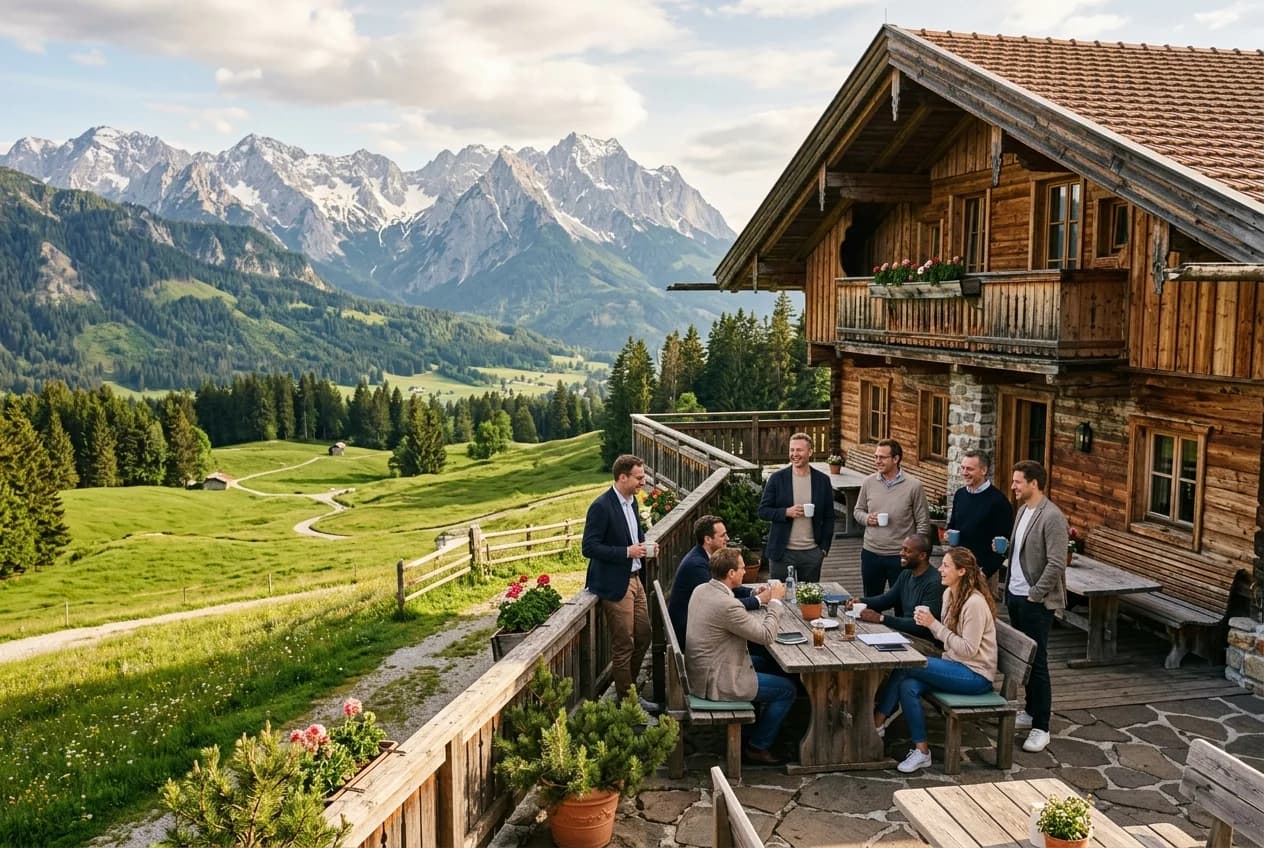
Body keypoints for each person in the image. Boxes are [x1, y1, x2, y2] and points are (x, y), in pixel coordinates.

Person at [873, 547, 999, 773]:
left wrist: (932, 624)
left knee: (906, 667)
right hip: (954, 664)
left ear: (961, 571)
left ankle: (876, 722)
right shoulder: (949, 594)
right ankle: (922, 752)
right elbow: (946, 639)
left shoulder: (974, 604)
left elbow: (969, 650)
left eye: (946, 566)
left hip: (976, 675)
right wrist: (927, 624)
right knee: (908, 685)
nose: (940, 569)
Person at [685, 546, 795, 765]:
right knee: (787, 690)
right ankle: (758, 746)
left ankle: (760, 727)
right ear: (731, 574)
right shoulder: (728, 606)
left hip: (702, 669)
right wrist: (774, 603)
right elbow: (765, 635)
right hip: (716, 681)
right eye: (742, 568)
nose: (746, 571)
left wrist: (756, 595)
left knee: (765, 662)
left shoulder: (702, 590)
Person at [1000, 459, 1068, 754]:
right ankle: (1029, 710)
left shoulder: (1052, 516)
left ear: (1033, 484)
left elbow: (1056, 562)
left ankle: (1041, 727)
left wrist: (1035, 594)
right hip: (1014, 596)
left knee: (1037, 664)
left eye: (1017, 482)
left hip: (1034, 602)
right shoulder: (1022, 510)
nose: (1013, 486)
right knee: (1021, 659)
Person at [582, 454, 654, 709]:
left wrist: (644, 546)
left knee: (644, 635)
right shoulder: (601, 506)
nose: (643, 482)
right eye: (639, 478)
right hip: (615, 585)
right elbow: (589, 547)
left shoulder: (632, 502)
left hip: (635, 579)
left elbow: (634, 534)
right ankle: (628, 702)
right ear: (622, 477)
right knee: (624, 644)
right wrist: (626, 552)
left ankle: (631, 690)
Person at [667, 515, 772, 646]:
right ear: (708, 539)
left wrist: (754, 592)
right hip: (691, 636)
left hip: (700, 627)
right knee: (760, 643)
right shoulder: (696, 565)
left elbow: (725, 585)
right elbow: (722, 605)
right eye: (723, 535)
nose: (727, 539)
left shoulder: (703, 556)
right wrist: (759, 600)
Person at [853, 438, 930, 596]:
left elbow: (923, 523)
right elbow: (858, 510)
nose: (877, 461)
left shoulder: (914, 486)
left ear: (896, 459)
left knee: (903, 603)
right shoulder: (868, 482)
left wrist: (918, 554)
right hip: (871, 553)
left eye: (882, 457)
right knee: (871, 602)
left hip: (901, 556)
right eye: (876, 457)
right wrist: (867, 518)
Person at [757, 432, 836, 582]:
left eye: (799, 450)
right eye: (792, 450)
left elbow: (829, 517)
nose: (795, 454)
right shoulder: (777, 478)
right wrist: (786, 512)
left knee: (809, 601)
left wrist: (823, 549)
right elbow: (763, 511)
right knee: (779, 598)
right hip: (782, 553)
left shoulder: (822, 480)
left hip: (812, 553)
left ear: (810, 452)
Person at [848, 535, 942, 641]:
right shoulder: (906, 574)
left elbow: (922, 626)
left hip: (924, 641)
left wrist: (882, 618)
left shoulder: (935, 583)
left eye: (907, 551)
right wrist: (861, 601)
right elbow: (887, 599)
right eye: (902, 549)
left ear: (922, 556)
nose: (901, 553)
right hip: (904, 634)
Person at [947, 450, 1013, 580]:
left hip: (982, 572)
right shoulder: (960, 494)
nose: (964, 472)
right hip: (958, 567)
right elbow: (953, 524)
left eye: (969, 469)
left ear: (983, 470)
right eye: (963, 468)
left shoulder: (998, 501)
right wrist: (948, 533)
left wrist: (986, 572)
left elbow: (1003, 545)